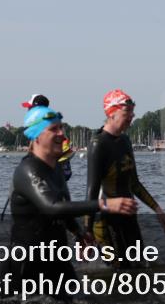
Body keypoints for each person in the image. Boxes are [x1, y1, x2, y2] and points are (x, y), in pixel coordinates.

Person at [9, 104, 136, 289]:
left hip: (57, 260)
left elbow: (64, 208)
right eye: (54, 129)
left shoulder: (56, 168)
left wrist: (81, 233)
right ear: (36, 136)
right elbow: (51, 207)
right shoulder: (27, 170)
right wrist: (104, 204)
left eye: (62, 128)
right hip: (26, 267)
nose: (62, 134)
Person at [86, 90, 165, 259]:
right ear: (112, 113)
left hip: (128, 215)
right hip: (105, 219)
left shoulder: (125, 141)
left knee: (140, 266)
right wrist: (86, 232)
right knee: (119, 271)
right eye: (127, 112)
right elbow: (92, 190)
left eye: (133, 111)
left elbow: (134, 183)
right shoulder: (98, 144)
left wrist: (157, 209)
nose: (132, 116)